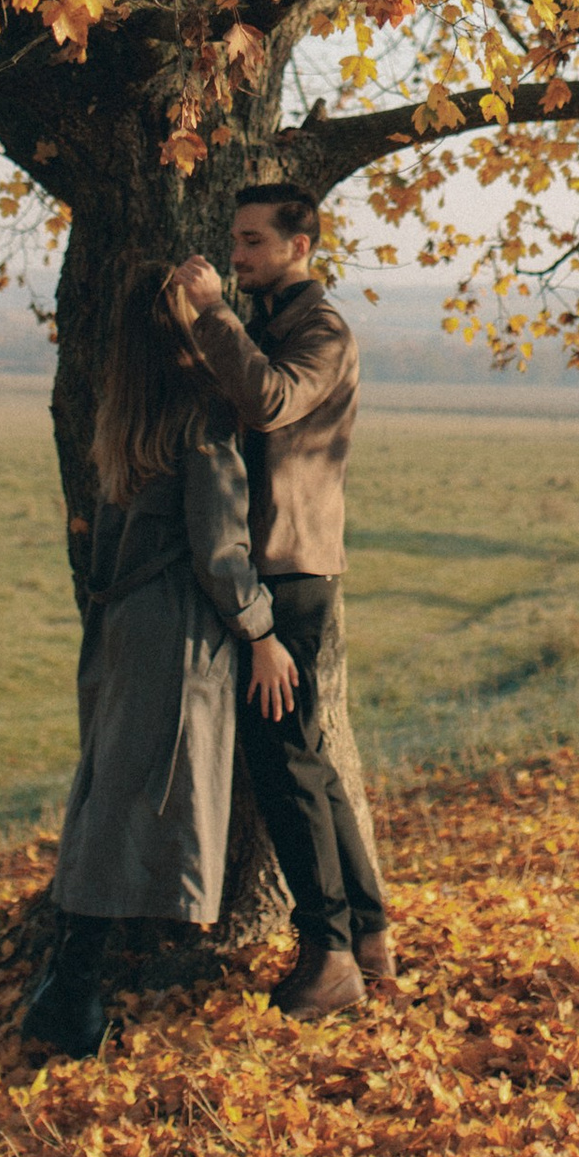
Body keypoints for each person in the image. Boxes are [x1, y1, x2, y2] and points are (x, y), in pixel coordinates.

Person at [21, 267, 299, 1060]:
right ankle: (73, 993)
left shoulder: (123, 411)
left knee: (109, 793)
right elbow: (219, 548)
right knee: (131, 803)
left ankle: (67, 984)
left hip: (122, 627)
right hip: (175, 628)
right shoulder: (200, 413)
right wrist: (261, 632)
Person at [166, 183, 392, 1021]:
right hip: (281, 566)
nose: (238, 255)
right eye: (236, 241)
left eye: (254, 241)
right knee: (307, 759)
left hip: (290, 574)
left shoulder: (321, 331)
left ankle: (329, 956)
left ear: (301, 245)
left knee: (285, 767)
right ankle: (369, 937)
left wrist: (212, 314)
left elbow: (267, 403)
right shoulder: (272, 326)